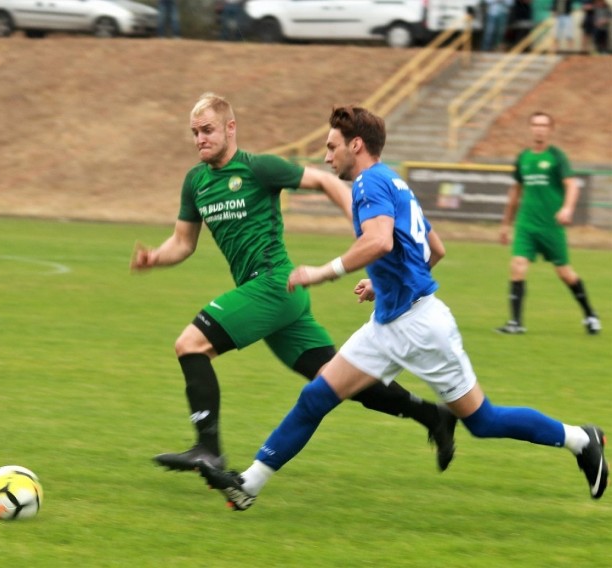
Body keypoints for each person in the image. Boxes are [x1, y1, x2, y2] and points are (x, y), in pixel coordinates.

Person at [197, 105, 607, 511]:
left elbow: (380, 242)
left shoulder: (368, 184)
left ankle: (581, 439)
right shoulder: (393, 181)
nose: (326, 156)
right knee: (316, 397)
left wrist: (323, 271)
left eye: (331, 146)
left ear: (356, 145)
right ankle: (248, 485)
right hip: (388, 324)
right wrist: (382, 283)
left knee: (484, 421)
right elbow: (435, 249)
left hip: (421, 328)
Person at [131, 93, 457, 475]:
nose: (200, 139)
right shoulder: (196, 181)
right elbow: (183, 243)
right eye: (194, 133)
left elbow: (320, 179)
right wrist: (155, 257)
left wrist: (362, 217)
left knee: (190, 344)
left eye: (207, 130)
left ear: (230, 129)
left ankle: (208, 449)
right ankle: (433, 416)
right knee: (334, 379)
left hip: (272, 283)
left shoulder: (258, 168)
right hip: (281, 298)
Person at [496, 111, 601, 335]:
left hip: (551, 226)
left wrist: (567, 208)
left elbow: (572, 185)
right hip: (526, 225)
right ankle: (515, 322)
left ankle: (590, 315)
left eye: (544, 125)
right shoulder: (523, 157)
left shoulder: (556, 157)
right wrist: (506, 224)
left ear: (550, 130)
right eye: (535, 125)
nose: (539, 129)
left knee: (565, 273)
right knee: (517, 266)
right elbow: (515, 193)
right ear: (530, 128)